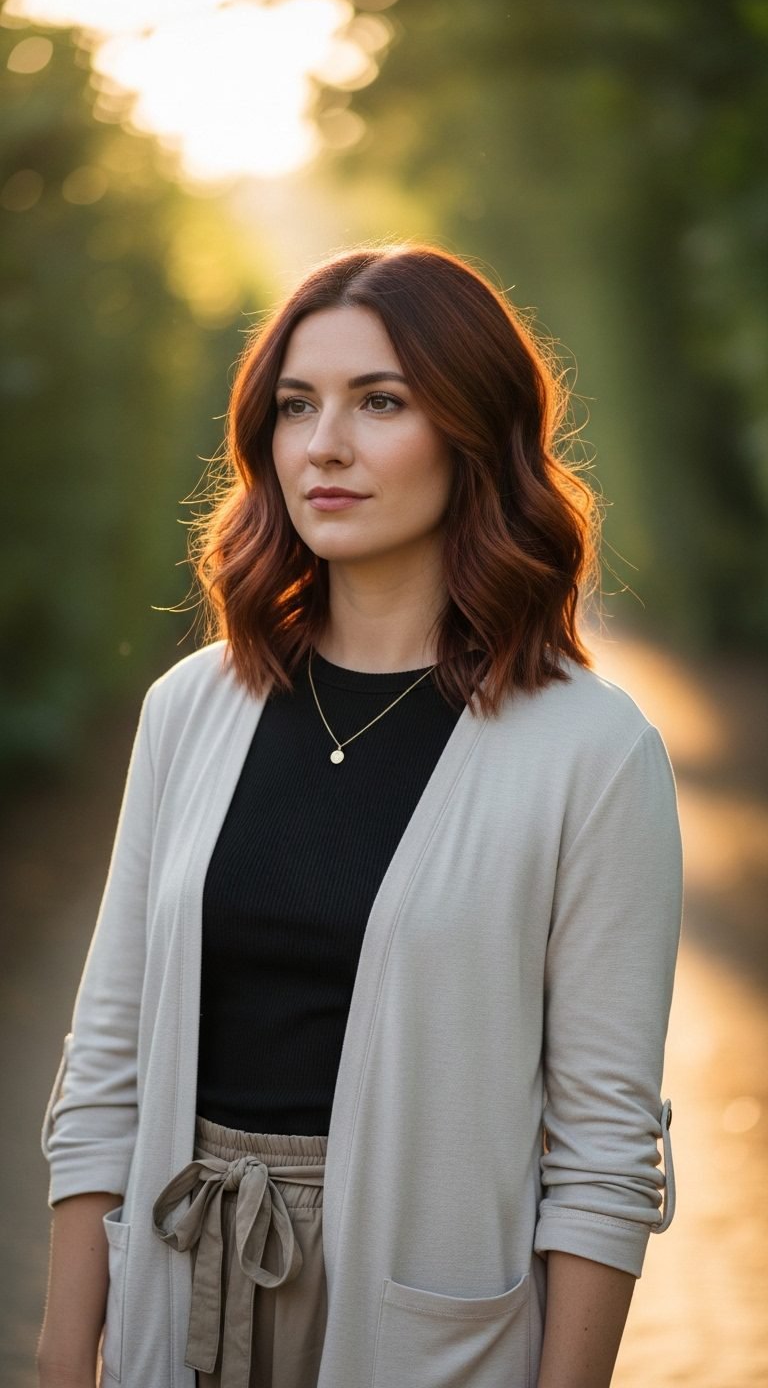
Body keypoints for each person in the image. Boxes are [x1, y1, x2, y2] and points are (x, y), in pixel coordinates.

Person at [38, 243, 682, 1388]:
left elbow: (604, 1154)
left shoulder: (592, 751)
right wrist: (58, 1356)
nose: (323, 444)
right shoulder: (192, 707)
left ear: (473, 431)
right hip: (182, 1290)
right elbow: (107, 1065)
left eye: (380, 401)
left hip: (423, 1325)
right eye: (296, 405)